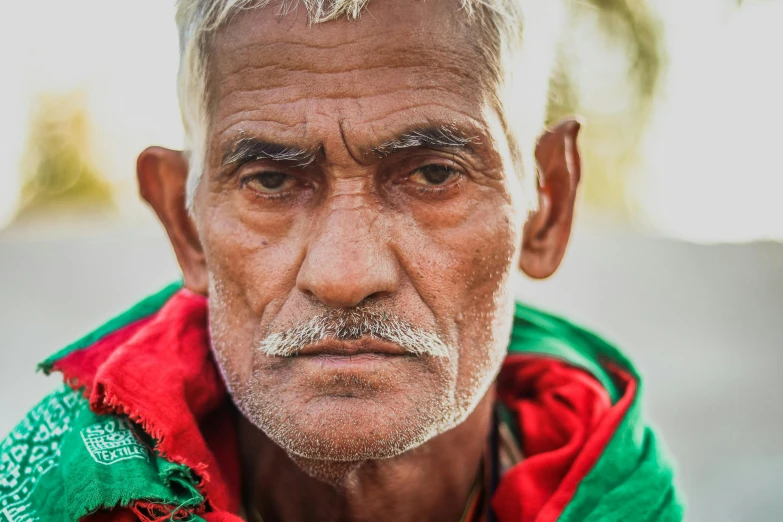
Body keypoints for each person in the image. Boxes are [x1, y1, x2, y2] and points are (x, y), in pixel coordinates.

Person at [0, 0, 684, 520]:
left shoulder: (622, 497)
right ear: (185, 225)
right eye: (269, 180)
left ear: (548, 206)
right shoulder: (62, 495)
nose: (344, 275)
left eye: (433, 175)